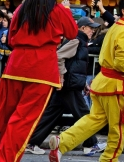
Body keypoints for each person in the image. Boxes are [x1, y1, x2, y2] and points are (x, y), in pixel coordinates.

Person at [0, 0, 78, 162]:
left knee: (10, 116)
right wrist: (66, 10)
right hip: (41, 70)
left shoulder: (22, 8)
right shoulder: (57, 9)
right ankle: (4, 159)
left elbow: (12, 39)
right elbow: (72, 32)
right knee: (24, 121)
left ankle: (5, 156)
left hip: (16, 66)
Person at [48, 0, 124, 162]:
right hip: (114, 85)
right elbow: (121, 62)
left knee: (93, 120)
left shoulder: (118, 26)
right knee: (119, 127)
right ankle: (109, 159)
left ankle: (63, 142)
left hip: (103, 81)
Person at [25, 17, 106, 156]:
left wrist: (83, 83)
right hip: (69, 84)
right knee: (83, 114)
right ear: (82, 28)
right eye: (90, 27)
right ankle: (90, 144)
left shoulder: (78, 40)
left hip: (69, 83)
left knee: (51, 115)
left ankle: (32, 142)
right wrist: (61, 76)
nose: (92, 30)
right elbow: (59, 56)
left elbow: (71, 63)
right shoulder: (76, 40)